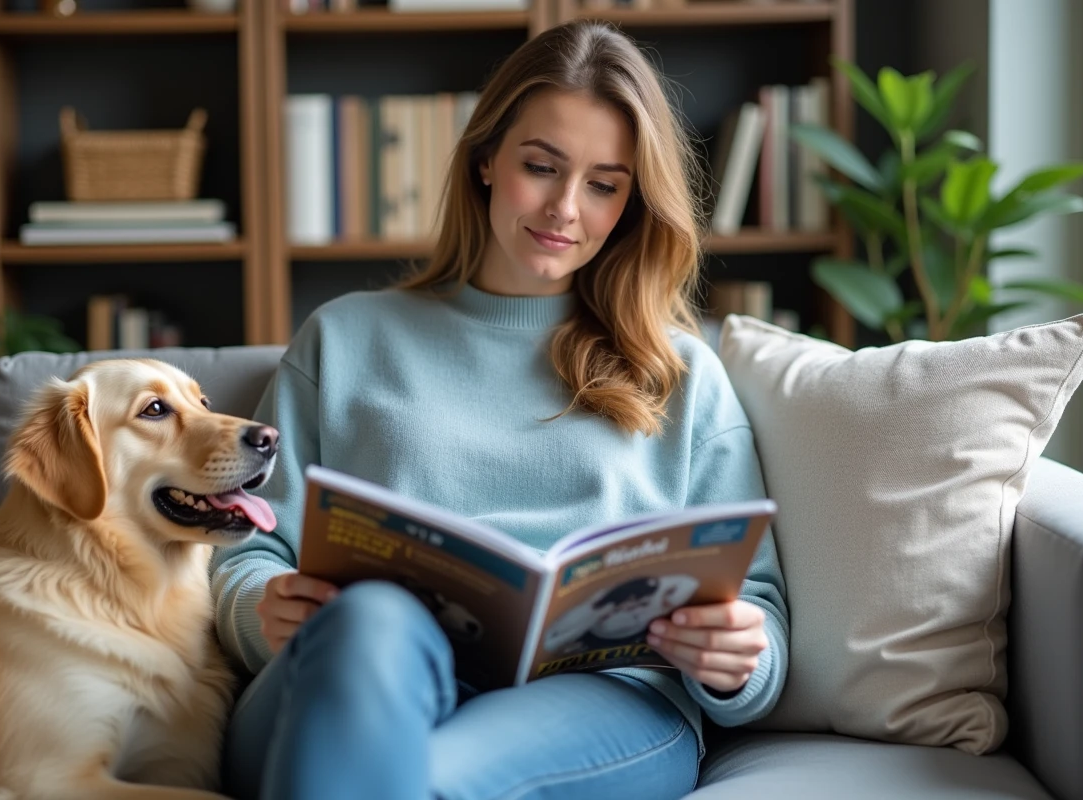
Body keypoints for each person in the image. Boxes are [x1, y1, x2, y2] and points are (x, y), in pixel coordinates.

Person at [211, 19, 788, 800]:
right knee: (371, 620)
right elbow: (244, 550)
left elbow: (756, 608)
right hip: (350, 676)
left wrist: (739, 657)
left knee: (419, 780)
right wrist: (263, 609)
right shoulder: (344, 340)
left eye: (604, 185)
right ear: (486, 158)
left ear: (632, 201)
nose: (565, 208)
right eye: (541, 167)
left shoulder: (680, 371)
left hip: (602, 699)